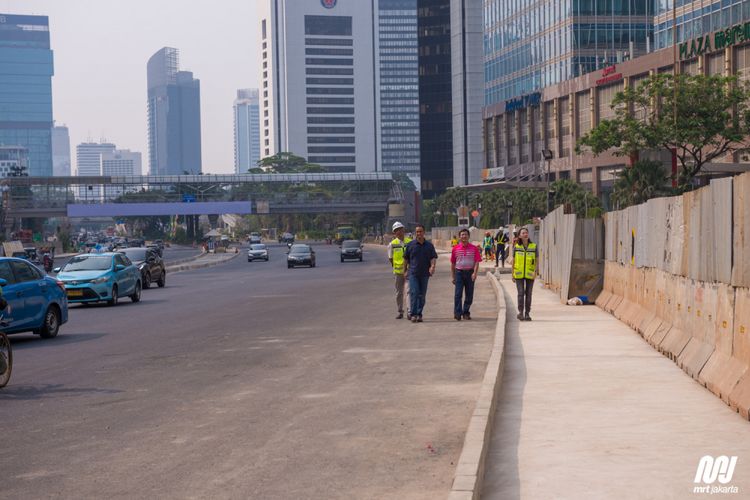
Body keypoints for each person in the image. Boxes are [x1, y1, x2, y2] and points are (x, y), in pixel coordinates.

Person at [403, 224, 437, 323]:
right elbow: (406, 259)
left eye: (420, 231)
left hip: (425, 274)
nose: (419, 233)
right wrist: (404, 271)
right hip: (413, 273)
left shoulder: (429, 245)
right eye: (417, 232)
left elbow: (433, 257)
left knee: (422, 295)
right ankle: (413, 314)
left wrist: (432, 266)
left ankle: (419, 314)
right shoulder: (410, 245)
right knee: (414, 293)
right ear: (415, 233)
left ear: (424, 232)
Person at [450, 228, 481, 321]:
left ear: (469, 236)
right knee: (458, 294)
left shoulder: (474, 248)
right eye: (462, 235)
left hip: (470, 273)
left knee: (469, 294)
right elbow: (452, 263)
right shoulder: (455, 249)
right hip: (459, 273)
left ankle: (466, 312)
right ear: (459, 237)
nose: (464, 236)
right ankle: (457, 313)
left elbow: (476, 262)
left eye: (466, 234)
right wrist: (453, 276)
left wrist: (475, 273)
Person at [510, 227, 537, 321]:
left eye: (526, 232)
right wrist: (512, 273)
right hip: (518, 274)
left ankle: (527, 314)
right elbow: (513, 261)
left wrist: (535, 271)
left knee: (529, 294)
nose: (525, 234)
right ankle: (520, 312)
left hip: (530, 273)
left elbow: (537, 260)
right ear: (520, 236)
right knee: (521, 293)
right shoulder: (516, 247)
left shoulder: (533, 246)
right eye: (523, 233)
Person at [387, 221, 412, 319]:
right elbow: (390, 258)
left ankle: (409, 311)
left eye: (400, 230)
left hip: (409, 271)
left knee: (409, 291)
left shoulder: (409, 242)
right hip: (398, 272)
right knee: (399, 293)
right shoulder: (392, 244)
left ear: (403, 230)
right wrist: (396, 266)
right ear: (394, 233)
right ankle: (400, 311)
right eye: (396, 230)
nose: (399, 232)